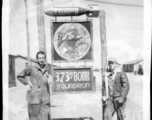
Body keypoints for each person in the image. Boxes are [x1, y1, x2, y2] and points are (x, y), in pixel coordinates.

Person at [17, 51, 52, 120]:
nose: (41, 60)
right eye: (39, 58)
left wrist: (50, 78)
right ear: (37, 59)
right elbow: (19, 76)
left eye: (42, 58)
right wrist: (27, 81)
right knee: (34, 118)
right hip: (34, 98)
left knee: (45, 118)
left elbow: (50, 77)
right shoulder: (31, 68)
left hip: (45, 98)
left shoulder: (48, 68)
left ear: (45, 58)